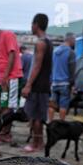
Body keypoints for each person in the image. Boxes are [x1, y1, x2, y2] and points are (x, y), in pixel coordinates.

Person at [22, 14, 53, 153]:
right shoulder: (48, 42)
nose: (31, 27)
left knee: (35, 117)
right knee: (39, 116)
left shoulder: (41, 43)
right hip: (44, 85)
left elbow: (37, 66)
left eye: (32, 24)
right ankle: (40, 142)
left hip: (38, 86)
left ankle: (36, 144)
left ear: (36, 24)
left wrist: (28, 85)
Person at [49, 32, 76, 121]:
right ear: (70, 40)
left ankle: (50, 122)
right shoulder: (71, 52)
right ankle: (61, 124)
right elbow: (72, 70)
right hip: (65, 83)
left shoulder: (55, 51)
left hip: (54, 83)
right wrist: (73, 84)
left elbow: (51, 67)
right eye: (74, 40)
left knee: (52, 105)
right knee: (63, 105)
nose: (75, 42)